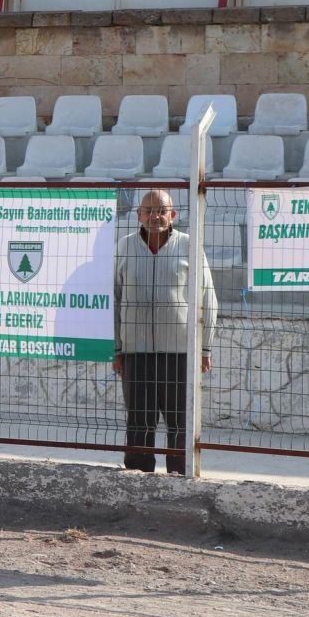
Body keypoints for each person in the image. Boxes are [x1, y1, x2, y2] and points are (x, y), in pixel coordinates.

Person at [112, 188, 217, 475]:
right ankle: (138, 474)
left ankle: (180, 474)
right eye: (149, 210)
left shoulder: (189, 246)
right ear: (138, 215)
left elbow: (208, 299)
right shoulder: (124, 246)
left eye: (162, 211)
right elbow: (114, 299)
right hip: (136, 351)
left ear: (173, 214)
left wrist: (204, 348)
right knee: (139, 419)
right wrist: (117, 348)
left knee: (181, 419)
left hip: (180, 351)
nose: (155, 216)